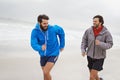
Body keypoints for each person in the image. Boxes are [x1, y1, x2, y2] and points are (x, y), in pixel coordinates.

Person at [31, 14, 65, 80]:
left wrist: (62, 45)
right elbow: (33, 43)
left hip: (53, 53)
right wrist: (40, 47)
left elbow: (61, 32)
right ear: (39, 23)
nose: (46, 25)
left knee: (46, 72)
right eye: (44, 23)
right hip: (43, 55)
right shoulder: (35, 31)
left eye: (47, 23)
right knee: (45, 73)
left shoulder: (53, 28)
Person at [81, 15, 113, 80]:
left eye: (95, 21)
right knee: (94, 75)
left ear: (100, 22)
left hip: (99, 58)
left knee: (91, 77)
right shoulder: (88, 31)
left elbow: (110, 44)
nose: (94, 22)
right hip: (89, 56)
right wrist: (83, 49)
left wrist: (100, 43)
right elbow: (84, 40)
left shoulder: (106, 33)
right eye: (93, 21)